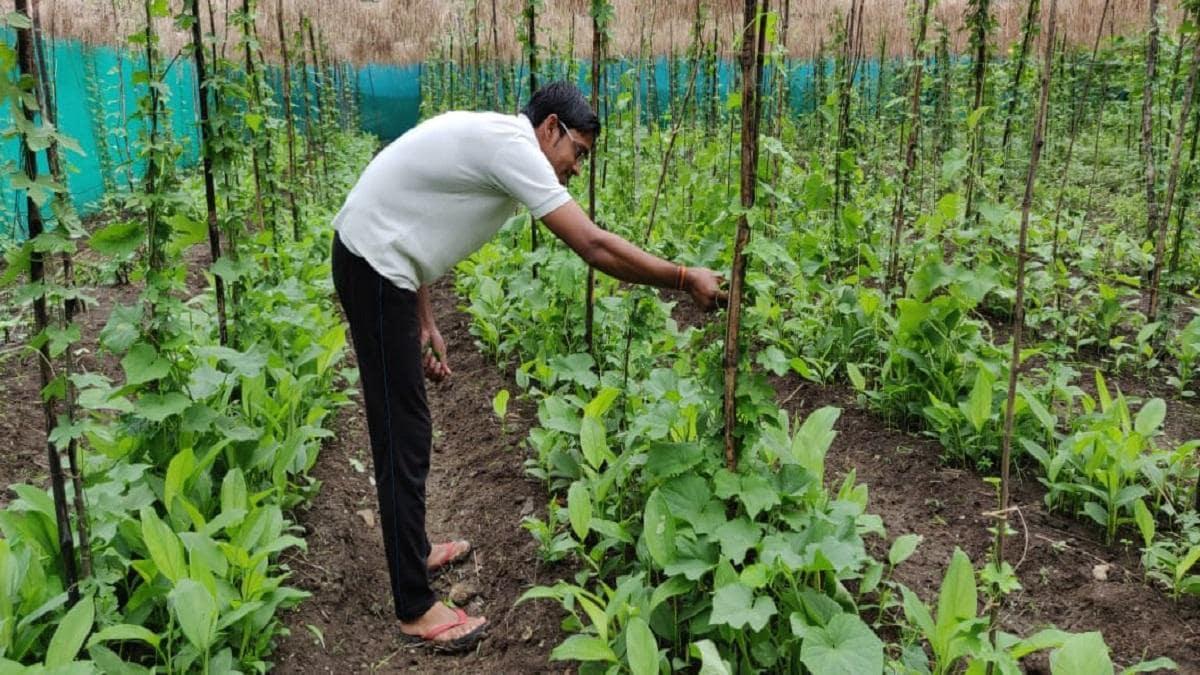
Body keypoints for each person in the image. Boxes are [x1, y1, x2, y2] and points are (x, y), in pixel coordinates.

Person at [330, 81, 726, 652]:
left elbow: (417, 210)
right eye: (577, 154)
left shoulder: (499, 139)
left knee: (410, 428)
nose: (575, 169)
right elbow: (593, 246)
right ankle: (414, 607)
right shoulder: (514, 149)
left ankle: (412, 550)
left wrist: (424, 317)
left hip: (384, 261)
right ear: (550, 129)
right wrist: (685, 278)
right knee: (403, 434)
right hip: (372, 265)